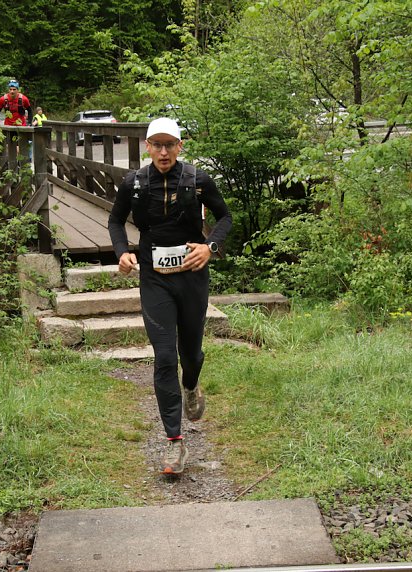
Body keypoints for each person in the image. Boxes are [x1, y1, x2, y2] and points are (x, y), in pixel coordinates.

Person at [108, 118, 232, 475]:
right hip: (154, 278)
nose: (163, 152)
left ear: (180, 147)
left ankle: (191, 386)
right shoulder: (133, 183)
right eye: (156, 145)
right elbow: (116, 221)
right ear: (147, 147)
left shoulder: (197, 180)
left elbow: (225, 218)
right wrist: (121, 251)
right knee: (164, 357)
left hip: (192, 278)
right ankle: (174, 443)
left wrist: (210, 247)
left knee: (190, 354)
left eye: (170, 145)